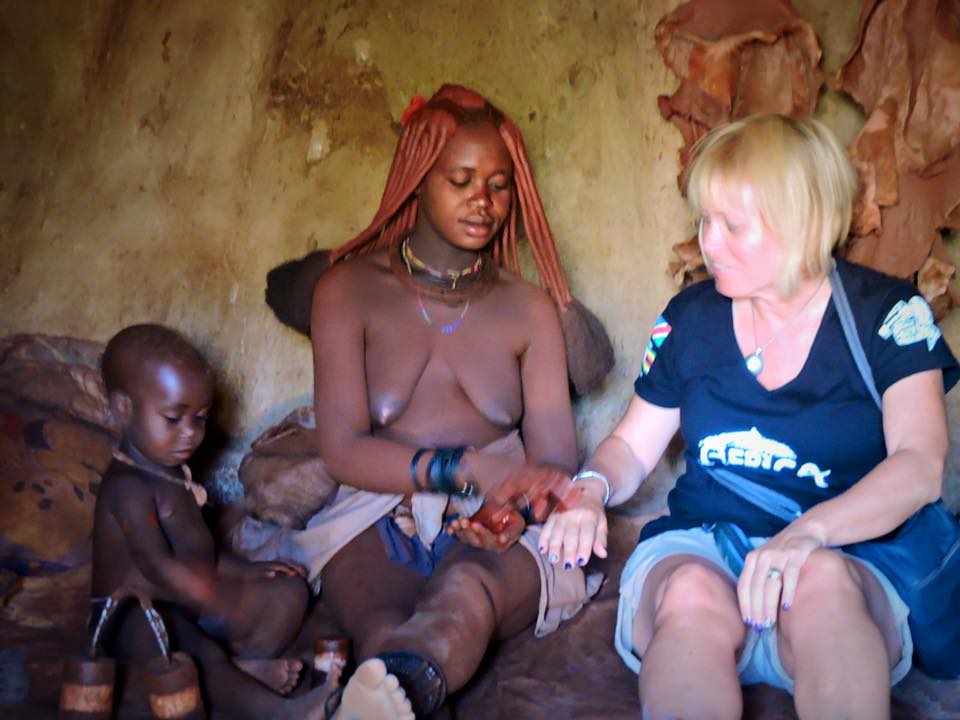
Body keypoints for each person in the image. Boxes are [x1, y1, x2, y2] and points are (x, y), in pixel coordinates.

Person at [537, 114, 959, 719]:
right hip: (704, 545)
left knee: (824, 588)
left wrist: (807, 534)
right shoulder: (691, 318)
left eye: (733, 226)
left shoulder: (888, 314)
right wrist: (590, 489)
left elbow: (919, 466)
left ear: (804, 221)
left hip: (841, 551)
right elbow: (631, 447)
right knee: (688, 594)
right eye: (704, 221)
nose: (710, 243)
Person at [233, 84, 601, 717]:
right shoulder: (347, 291)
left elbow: (554, 457)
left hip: (500, 508)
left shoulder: (528, 308)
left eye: (499, 185)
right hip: (374, 507)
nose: (483, 201)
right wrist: (461, 468)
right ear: (416, 181)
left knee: (466, 592)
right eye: (461, 180)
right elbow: (344, 450)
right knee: (384, 622)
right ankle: (395, 690)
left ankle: (392, 691)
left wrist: (518, 509)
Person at [93, 323, 413, 720]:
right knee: (197, 655)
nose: (190, 434)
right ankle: (283, 710)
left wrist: (247, 571)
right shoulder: (128, 487)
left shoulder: (173, 475)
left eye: (200, 418)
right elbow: (157, 565)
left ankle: (243, 670)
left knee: (288, 592)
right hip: (133, 613)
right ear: (123, 408)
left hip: (182, 601)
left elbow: (198, 552)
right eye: (174, 418)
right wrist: (209, 592)